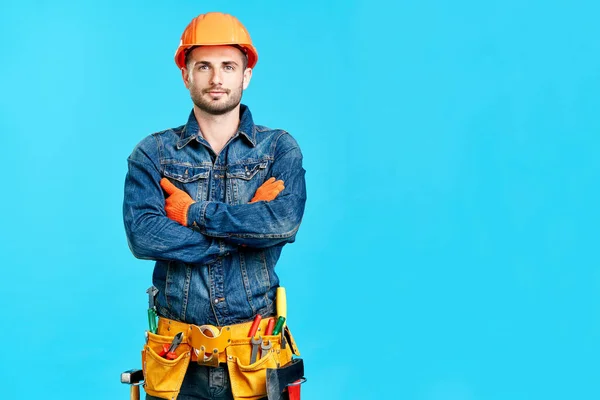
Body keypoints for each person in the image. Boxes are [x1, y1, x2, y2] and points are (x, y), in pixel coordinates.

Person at [123, 12, 307, 400]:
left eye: (228, 66)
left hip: (256, 360)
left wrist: (192, 214)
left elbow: (283, 223)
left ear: (246, 75)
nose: (216, 78)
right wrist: (246, 233)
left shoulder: (278, 149)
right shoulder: (152, 153)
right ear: (186, 74)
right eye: (203, 66)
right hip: (176, 363)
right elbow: (144, 236)